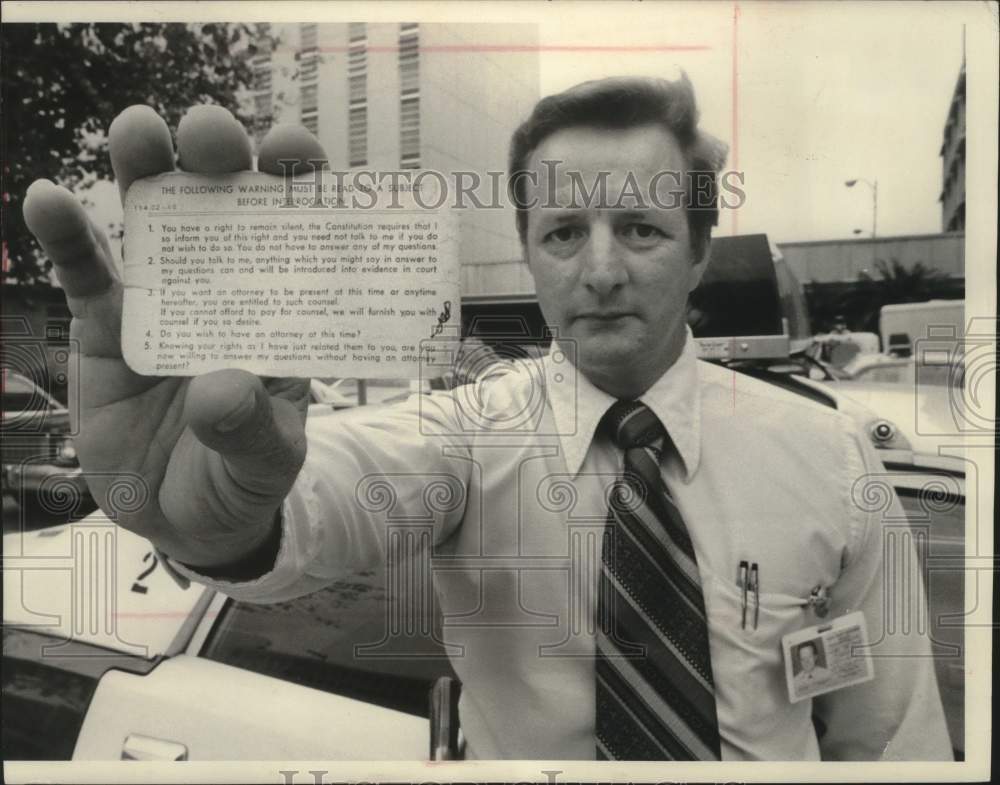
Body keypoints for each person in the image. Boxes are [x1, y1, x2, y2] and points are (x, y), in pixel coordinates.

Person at [23, 75, 952, 761]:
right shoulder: (466, 436)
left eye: (641, 228)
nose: (600, 270)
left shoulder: (830, 458)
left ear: (700, 249)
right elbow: (333, 495)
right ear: (528, 250)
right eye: (562, 233)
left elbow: (891, 739)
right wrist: (229, 525)